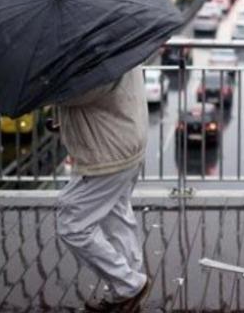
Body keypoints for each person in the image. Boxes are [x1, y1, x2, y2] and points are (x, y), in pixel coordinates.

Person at [55, 66, 152, 312]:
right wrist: (66, 123)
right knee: (116, 215)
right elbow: (103, 99)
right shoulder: (117, 42)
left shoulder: (99, 52)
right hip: (124, 142)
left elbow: (81, 91)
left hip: (107, 153)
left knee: (72, 224)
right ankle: (126, 290)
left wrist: (45, 90)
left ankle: (129, 285)